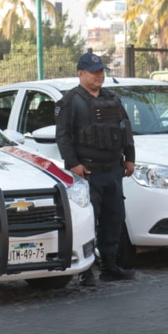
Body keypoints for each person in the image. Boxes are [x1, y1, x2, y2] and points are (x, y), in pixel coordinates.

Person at [55, 52, 136, 285]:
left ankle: (110, 265)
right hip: (88, 172)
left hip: (113, 170)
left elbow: (125, 129)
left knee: (114, 218)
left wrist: (130, 158)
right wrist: (73, 164)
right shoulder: (70, 101)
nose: (99, 76)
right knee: (89, 220)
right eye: (94, 72)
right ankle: (86, 270)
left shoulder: (112, 98)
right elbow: (63, 136)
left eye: (101, 71)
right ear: (80, 73)